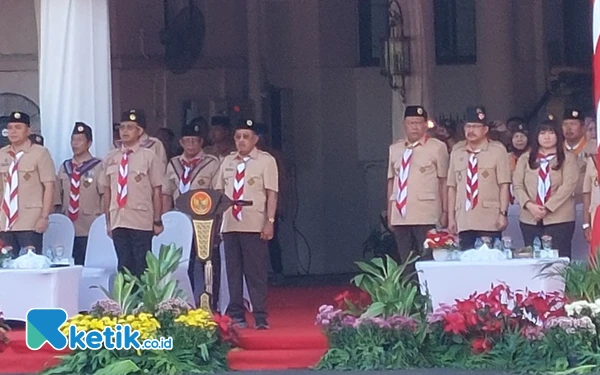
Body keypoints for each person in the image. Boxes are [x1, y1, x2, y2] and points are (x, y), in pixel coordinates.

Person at [214, 118, 278, 330]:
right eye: (238, 137)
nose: (241, 141)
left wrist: (269, 221)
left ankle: (260, 315)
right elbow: (218, 192)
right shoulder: (228, 161)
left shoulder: (265, 161)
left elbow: (272, 194)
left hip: (253, 221)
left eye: (246, 137)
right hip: (231, 222)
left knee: (255, 271)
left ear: (255, 139)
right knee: (233, 271)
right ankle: (236, 314)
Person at [99, 110, 164, 277]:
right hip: (119, 218)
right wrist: (108, 221)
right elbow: (107, 191)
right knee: (124, 265)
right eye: (122, 127)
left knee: (141, 265)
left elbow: (157, 190)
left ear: (140, 131)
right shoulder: (111, 157)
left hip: (141, 219)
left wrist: (157, 220)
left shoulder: (148, 156)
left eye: (130, 127)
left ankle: (143, 303)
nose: (125, 131)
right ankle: (128, 302)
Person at [162, 120, 220, 293]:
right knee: (181, 261)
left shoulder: (211, 163)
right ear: (181, 142)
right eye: (187, 141)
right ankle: (184, 300)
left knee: (206, 262)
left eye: (195, 141)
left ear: (201, 142)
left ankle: (208, 300)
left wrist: (217, 224)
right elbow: (166, 193)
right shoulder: (173, 164)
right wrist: (164, 220)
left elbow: (217, 194)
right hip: (179, 219)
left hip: (203, 219)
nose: (191, 145)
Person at [387, 105, 449, 266]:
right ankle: (410, 291)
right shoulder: (395, 149)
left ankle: (427, 291)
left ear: (425, 125)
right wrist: (389, 212)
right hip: (401, 213)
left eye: (419, 122)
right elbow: (391, 181)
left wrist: (445, 211)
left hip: (426, 213)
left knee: (428, 258)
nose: (415, 126)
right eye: (411, 123)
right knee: (406, 260)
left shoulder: (437, 147)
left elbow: (444, 181)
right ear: (404, 125)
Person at [447, 107, 511, 249]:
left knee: (490, 262)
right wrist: (451, 217)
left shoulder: (497, 150)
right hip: (464, 219)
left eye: (476, 127)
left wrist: (503, 213)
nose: (471, 130)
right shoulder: (457, 152)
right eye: (468, 126)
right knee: (466, 264)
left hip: (489, 218)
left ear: (485, 129)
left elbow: (504, 185)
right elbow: (452, 187)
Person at [512, 119, 578, 257]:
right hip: (530, 217)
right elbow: (517, 185)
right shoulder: (526, 158)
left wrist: (547, 208)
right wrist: (530, 206)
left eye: (551, 133)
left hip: (560, 218)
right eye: (542, 133)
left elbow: (568, 186)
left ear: (558, 135)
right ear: (536, 136)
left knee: (559, 261)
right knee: (533, 260)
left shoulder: (568, 158)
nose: (547, 137)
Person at [0, 111, 55, 253]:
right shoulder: (2, 154)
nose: (13, 132)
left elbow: (49, 186)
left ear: (28, 130)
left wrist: (44, 217)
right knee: (6, 266)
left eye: (18, 127)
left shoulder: (40, 153)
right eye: (10, 128)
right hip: (5, 222)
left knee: (30, 265)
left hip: (30, 220)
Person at [55, 123, 103, 265]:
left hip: (89, 224)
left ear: (89, 143)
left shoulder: (99, 166)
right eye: (73, 140)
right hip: (68, 226)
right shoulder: (65, 167)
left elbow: (104, 195)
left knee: (90, 265)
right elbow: (58, 195)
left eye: (79, 140)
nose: (75, 144)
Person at [255, 124, 286, 283]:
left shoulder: (273, 156)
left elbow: (280, 184)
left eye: (260, 135)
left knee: (272, 240)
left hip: (270, 206)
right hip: (251, 208)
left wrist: (279, 208)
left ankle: (278, 272)